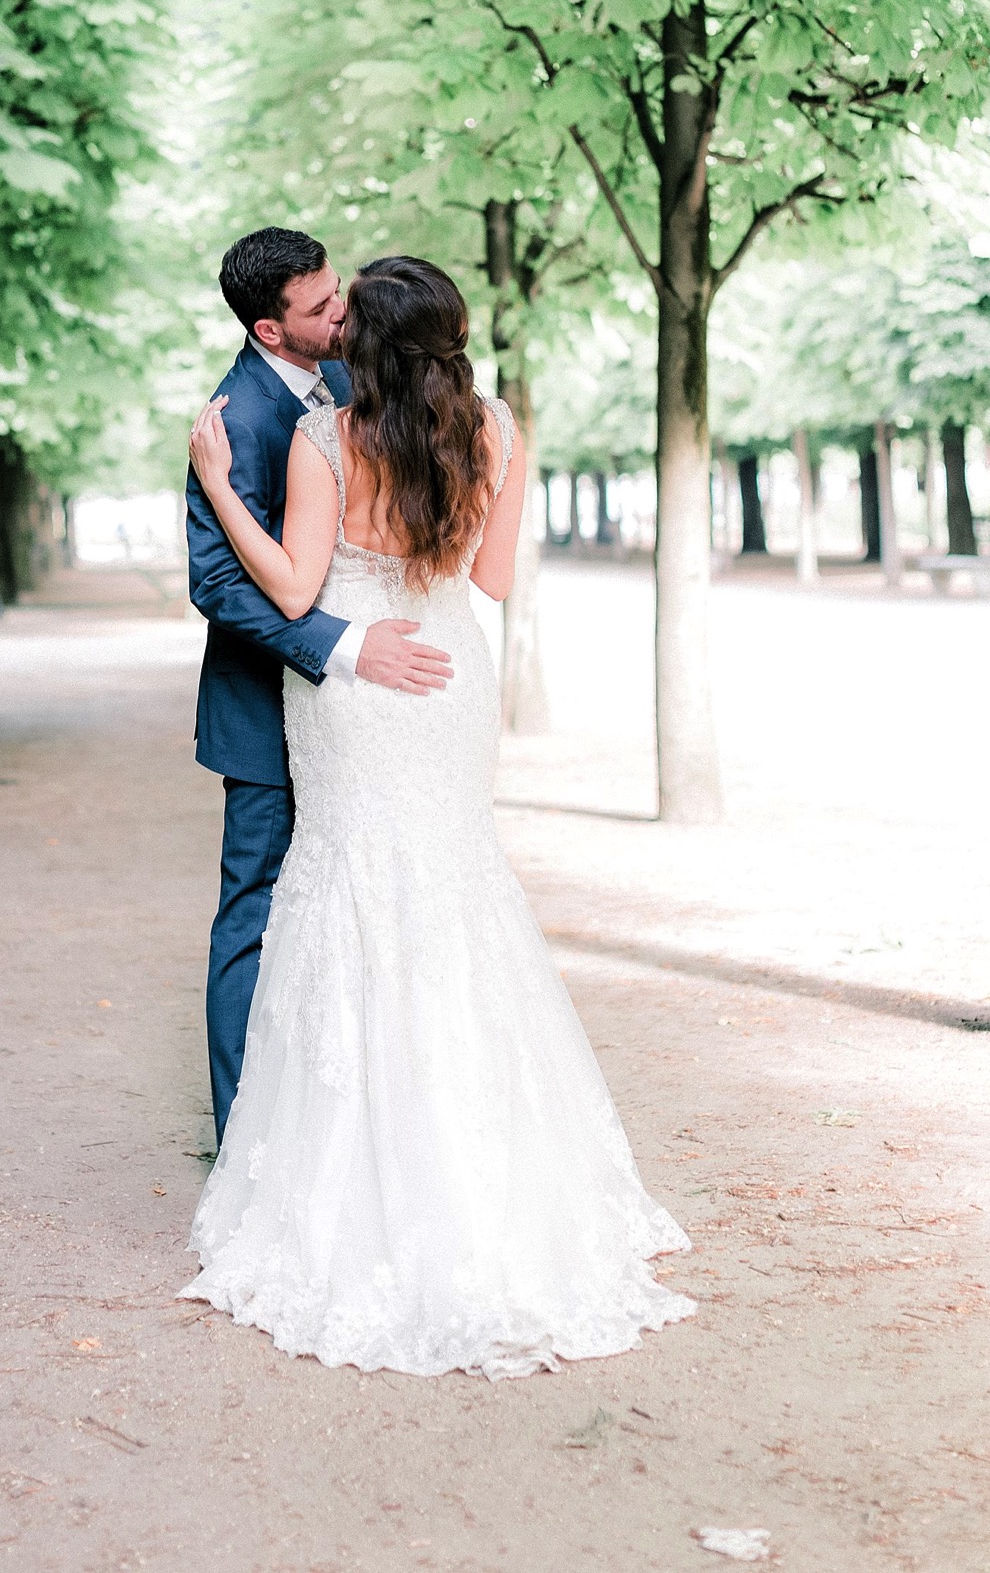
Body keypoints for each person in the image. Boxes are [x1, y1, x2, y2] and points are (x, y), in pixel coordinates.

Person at [182, 253, 694, 1378]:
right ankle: (488, 1155)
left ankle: (359, 1153)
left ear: (363, 338)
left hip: (362, 693)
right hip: (450, 671)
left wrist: (221, 484)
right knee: (458, 889)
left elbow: (294, 592)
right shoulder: (499, 428)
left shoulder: (331, 440)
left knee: (353, 889)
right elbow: (497, 582)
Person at [186, 228, 459, 1149]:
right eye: (320, 308)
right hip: (267, 713)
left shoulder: (355, 380)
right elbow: (218, 584)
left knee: (364, 905)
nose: (343, 312)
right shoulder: (235, 417)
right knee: (258, 917)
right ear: (270, 329)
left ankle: (354, 1121)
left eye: (338, 292)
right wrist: (346, 648)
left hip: (367, 723)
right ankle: (243, 1141)